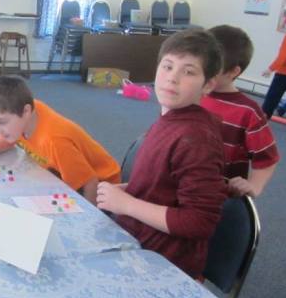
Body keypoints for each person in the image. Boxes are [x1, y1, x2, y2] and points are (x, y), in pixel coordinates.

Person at [96, 29, 227, 279]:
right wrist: (133, 189)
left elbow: (199, 221)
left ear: (208, 84)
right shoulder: (173, 119)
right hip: (138, 238)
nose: (172, 78)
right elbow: (167, 184)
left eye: (188, 72)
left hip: (161, 262)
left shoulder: (196, 139)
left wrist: (127, 204)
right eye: (167, 66)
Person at [0, 75, 121, 204]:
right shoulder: (25, 116)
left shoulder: (55, 141)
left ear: (26, 111)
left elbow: (90, 182)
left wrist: (91, 220)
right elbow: (9, 137)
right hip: (62, 170)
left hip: (104, 189)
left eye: (2, 122)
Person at [201, 25, 280, 197]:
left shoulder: (248, 111)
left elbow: (267, 157)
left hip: (220, 194)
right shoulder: (191, 93)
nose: (202, 72)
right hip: (180, 184)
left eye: (211, 68)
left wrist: (254, 186)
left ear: (233, 71)